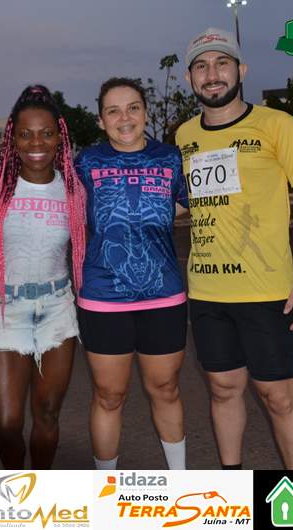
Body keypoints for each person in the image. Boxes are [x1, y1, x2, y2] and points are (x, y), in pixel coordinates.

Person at [176, 28, 293, 469]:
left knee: (278, 396)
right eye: (201, 66)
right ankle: (232, 486)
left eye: (222, 63)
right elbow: (183, 201)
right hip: (207, 293)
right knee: (223, 389)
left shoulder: (276, 124)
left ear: (240, 70)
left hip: (268, 291)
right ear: (190, 78)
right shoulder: (184, 135)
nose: (212, 74)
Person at [75, 77, 190, 471]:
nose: (124, 118)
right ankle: (106, 489)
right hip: (103, 297)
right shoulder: (86, 162)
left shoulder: (170, 158)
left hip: (164, 295)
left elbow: (188, 203)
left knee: (166, 389)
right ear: (101, 120)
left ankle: (180, 485)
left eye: (133, 108)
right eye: (113, 111)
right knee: (109, 396)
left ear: (145, 112)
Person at [0, 85, 86, 469]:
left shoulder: (73, 190)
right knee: (7, 425)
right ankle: (16, 485)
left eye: (46, 133)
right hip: (6, 309)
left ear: (60, 137)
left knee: (48, 413)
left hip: (57, 308)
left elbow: (91, 244)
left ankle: (38, 489)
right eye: (25, 134)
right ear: (12, 139)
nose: (36, 143)